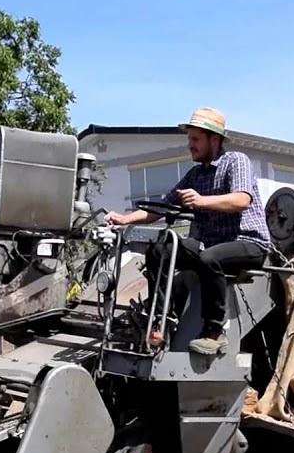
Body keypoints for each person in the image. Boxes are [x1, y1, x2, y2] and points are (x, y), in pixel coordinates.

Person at [106, 107, 272, 356]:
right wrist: (124, 219)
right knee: (160, 249)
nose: (190, 145)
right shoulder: (195, 175)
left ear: (214, 140)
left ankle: (214, 333)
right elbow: (162, 208)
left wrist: (202, 201)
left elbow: (241, 200)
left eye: (195, 139)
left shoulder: (236, 161)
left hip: (247, 241)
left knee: (209, 258)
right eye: (189, 139)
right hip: (211, 243)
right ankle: (160, 320)